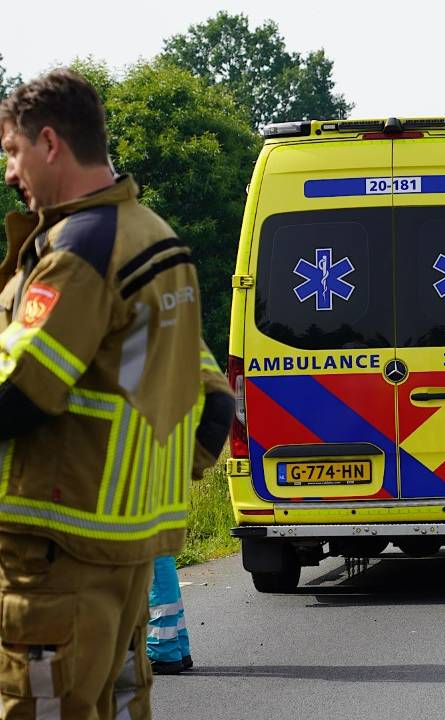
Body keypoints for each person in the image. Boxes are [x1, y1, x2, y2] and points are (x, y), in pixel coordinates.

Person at [0, 69, 230, 719]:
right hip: (127, 556)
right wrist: (160, 480)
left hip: (56, 552)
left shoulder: (79, 251)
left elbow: (20, 394)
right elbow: (214, 401)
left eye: (12, 152)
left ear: (50, 143)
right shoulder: (159, 241)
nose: (11, 173)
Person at [147, 345, 230, 676]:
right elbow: (221, 401)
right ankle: (175, 645)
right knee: (159, 554)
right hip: (165, 459)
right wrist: (196, 460)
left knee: (151, 556)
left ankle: (164, 648)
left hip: (136, 462)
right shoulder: (178, 322)